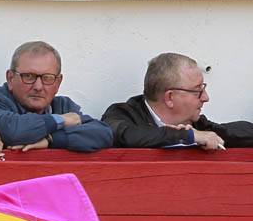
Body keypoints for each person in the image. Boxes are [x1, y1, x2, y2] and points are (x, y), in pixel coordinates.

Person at [0, 41, 112, 153]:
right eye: (29, 76)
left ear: (58, 83)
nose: (38, 86)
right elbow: (13, 132)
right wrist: (60, 120)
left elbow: (103, 134)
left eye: (47, 78)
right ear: (10, 78)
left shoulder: (63, 106)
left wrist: (51, 140)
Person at [101, 52, 253, 150]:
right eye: (197, 90)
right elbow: (125, 136)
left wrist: (205, 135)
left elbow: (238, 132)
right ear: (170, 97)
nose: (205, 97)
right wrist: (187, 137)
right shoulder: (122, 115)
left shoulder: (194, 124)